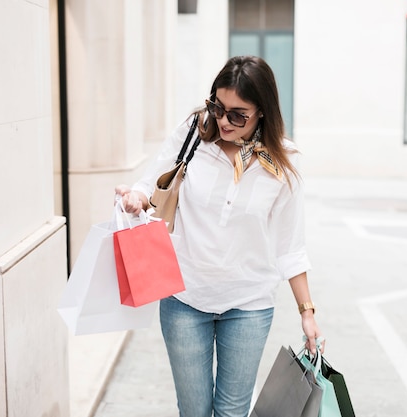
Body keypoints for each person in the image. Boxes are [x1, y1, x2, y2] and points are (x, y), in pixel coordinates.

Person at [115, 55, 324, 417]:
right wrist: (135, 198)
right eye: (218, 107)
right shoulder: (194, 133)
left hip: (248, 305)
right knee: (193, 411)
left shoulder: (283, 161)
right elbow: (150, 184)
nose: (224, 121)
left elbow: (291, 246)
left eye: (237, 114)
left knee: (232, 412)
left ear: (262, 111)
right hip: (184, 296)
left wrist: (307, 313)